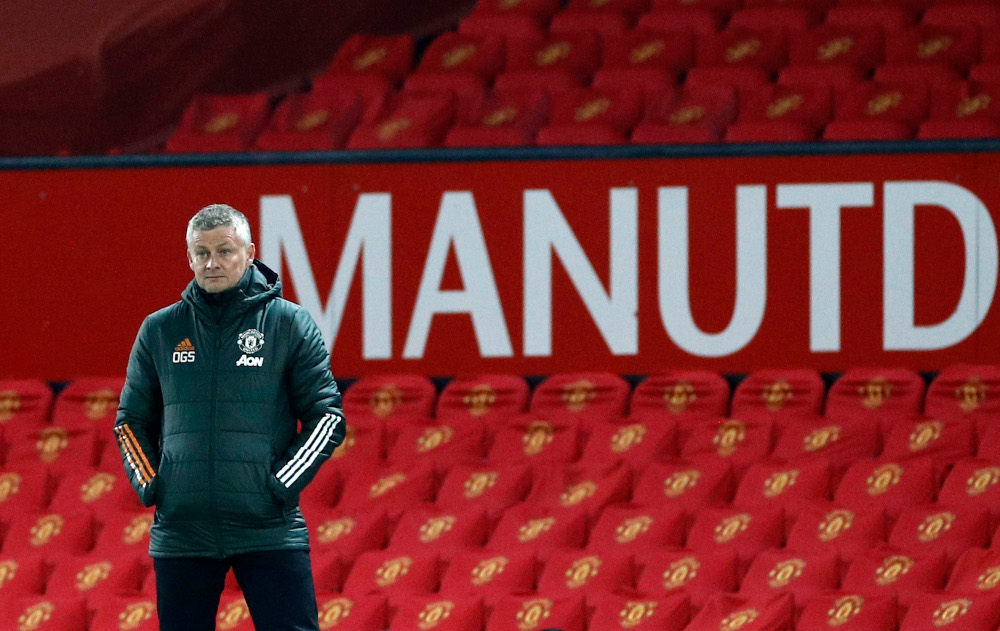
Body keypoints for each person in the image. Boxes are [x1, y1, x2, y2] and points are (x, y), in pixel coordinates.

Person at [114, 203, 346, 631]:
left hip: (268, 528)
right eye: (201, 253)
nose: (212, 263)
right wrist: (154, 484)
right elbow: (130, 420)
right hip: (183, 533)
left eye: (224, 251)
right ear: (189, 257)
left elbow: (326, 416)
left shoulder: (289, 324)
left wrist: (279, 485)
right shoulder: (160, 330)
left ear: (250, 253)